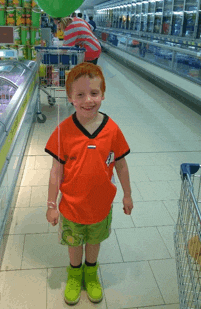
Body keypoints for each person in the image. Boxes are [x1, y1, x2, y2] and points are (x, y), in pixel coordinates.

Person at [45, 62, 133, 305]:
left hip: (100, 205)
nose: (88, 100)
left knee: (94, 241)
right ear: (70, 97)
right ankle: (75, 274)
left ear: (103, 94)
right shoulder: (64, 131)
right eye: (80, 94)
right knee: (74, 244)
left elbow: (122, 165)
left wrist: (127, 195)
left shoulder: (112, 129)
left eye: (94, 93)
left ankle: (91, 273)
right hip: (72, 207)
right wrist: (52, 204)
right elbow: (56, 172)